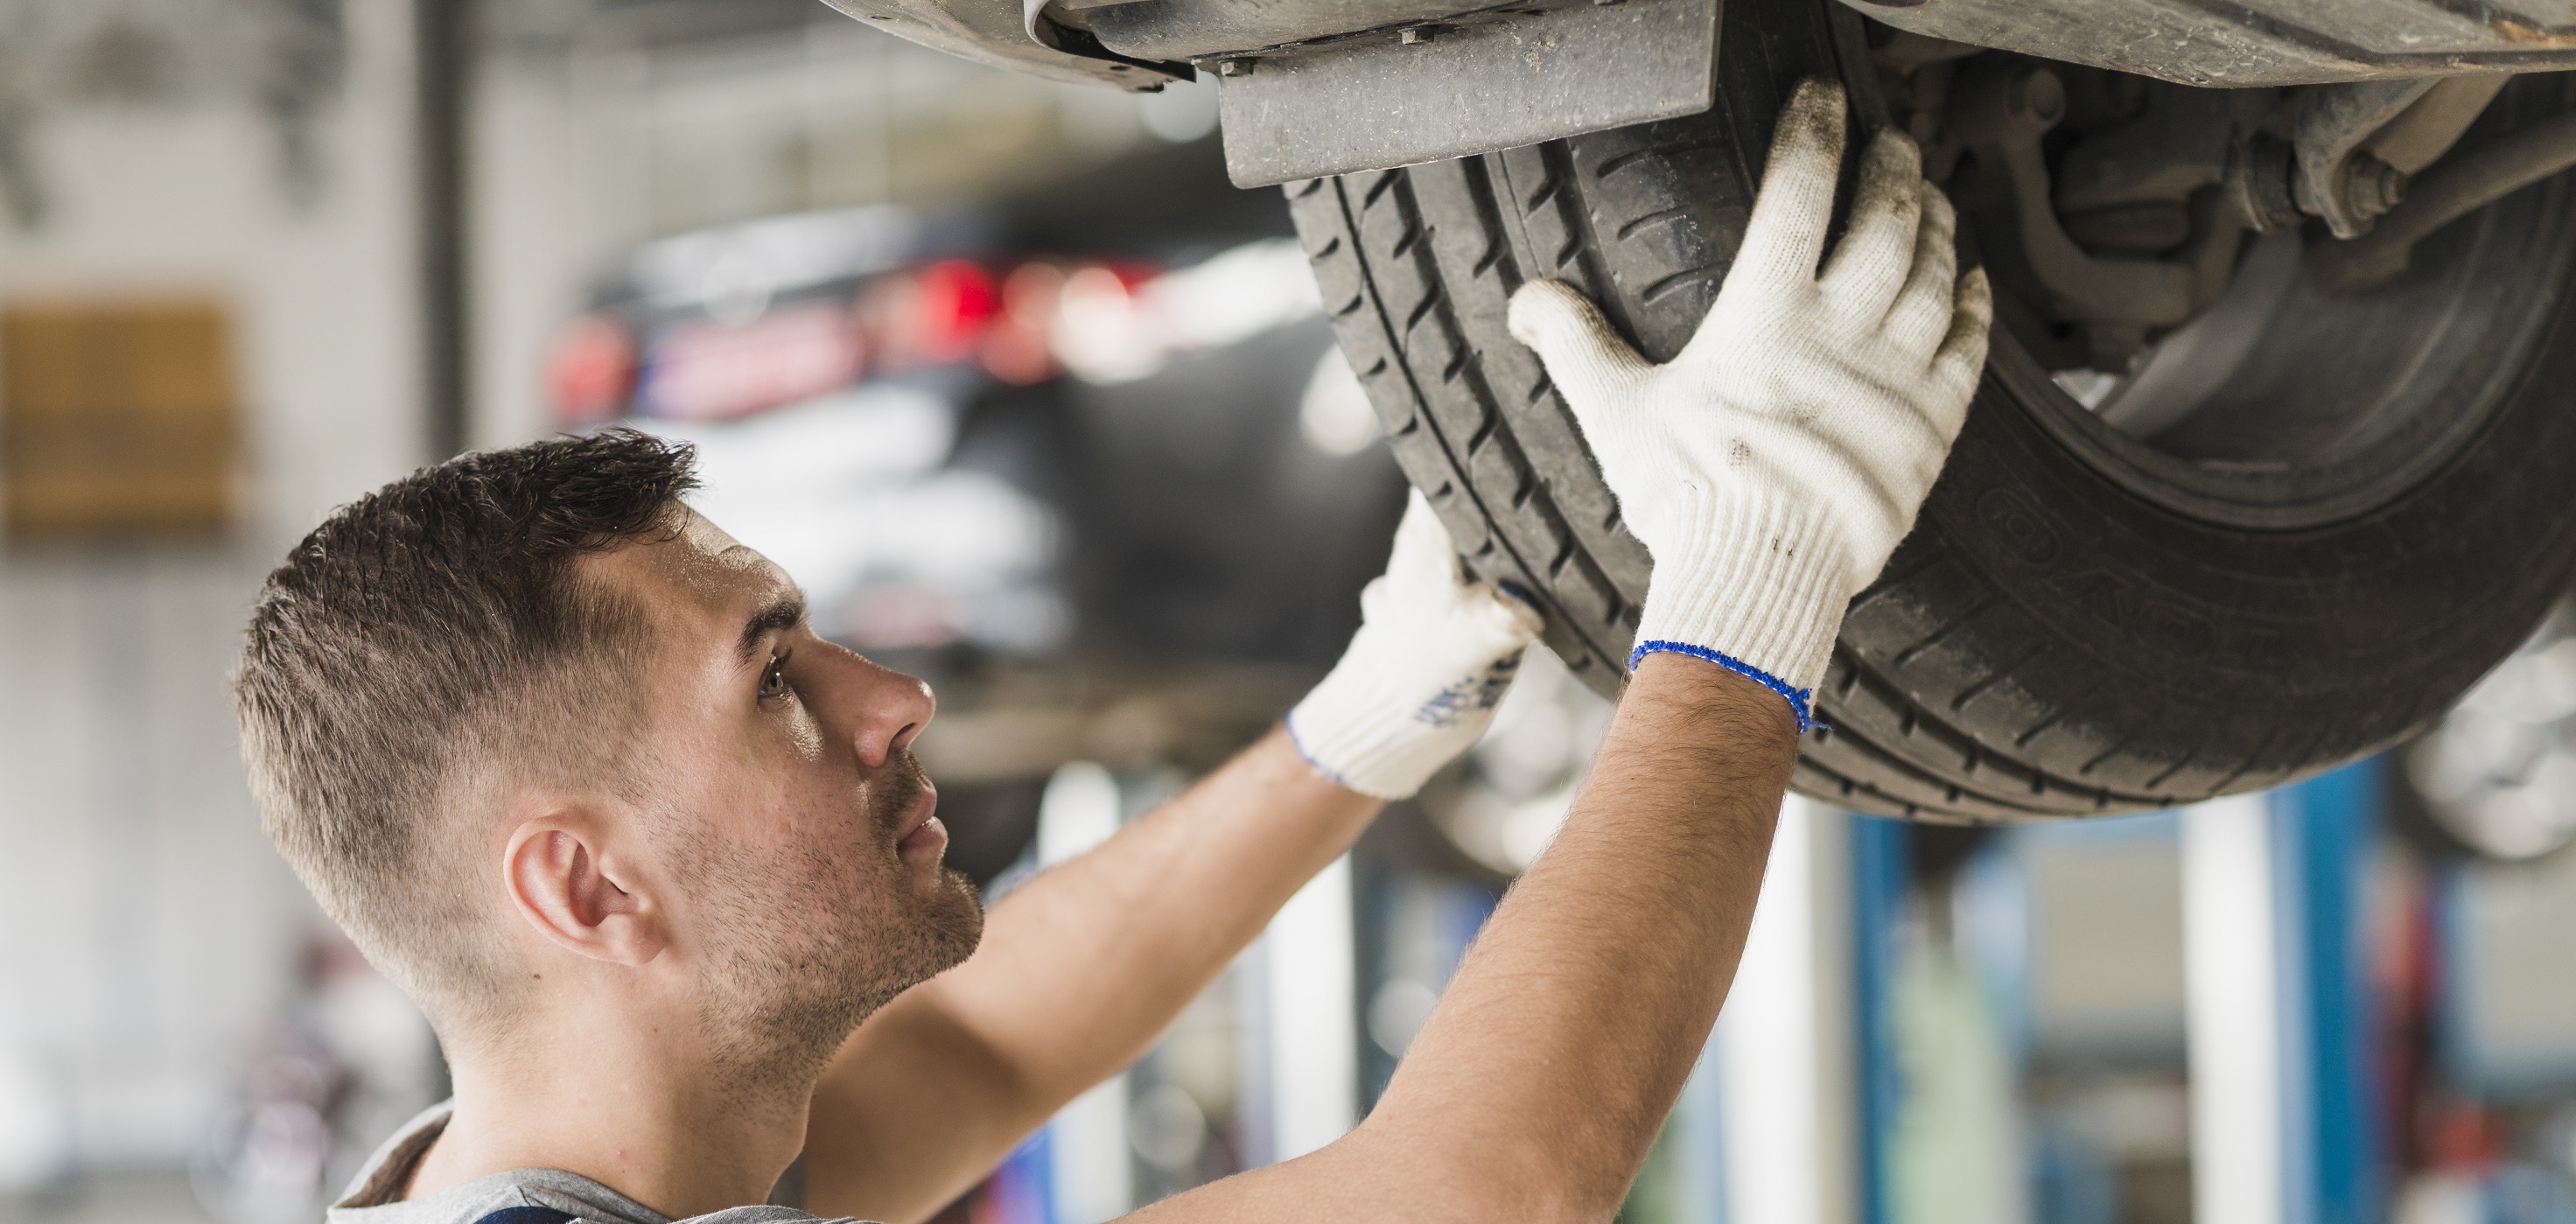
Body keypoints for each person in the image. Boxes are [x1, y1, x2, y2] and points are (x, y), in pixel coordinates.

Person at [231, 79, 1988, 1224]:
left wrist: (1357, 728)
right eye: (773, 680)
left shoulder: (584, 1172)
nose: (891, 696)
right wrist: (1751, 590)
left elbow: (978, 1049)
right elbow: (1476, 1191)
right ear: (587, 891)